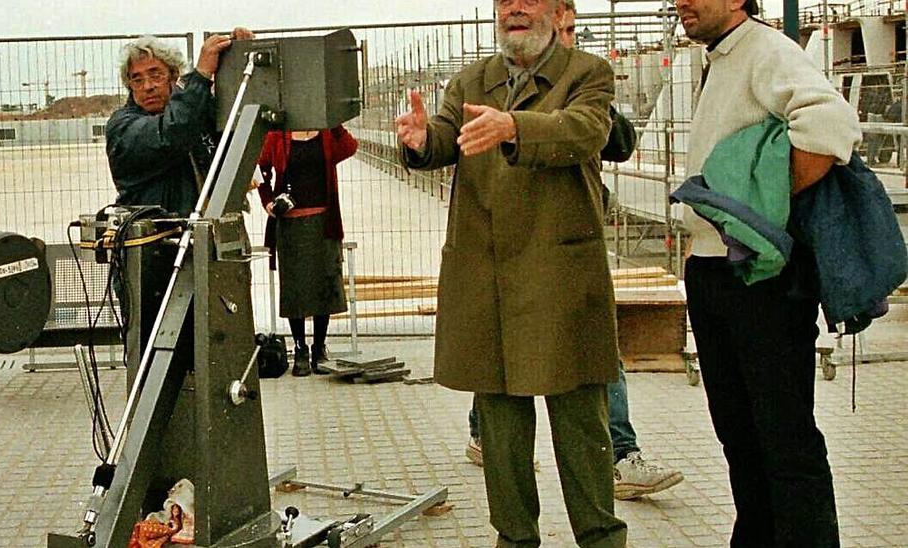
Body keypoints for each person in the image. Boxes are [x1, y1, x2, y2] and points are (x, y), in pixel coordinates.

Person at [397, 0, 627, 543]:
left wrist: (513, 127)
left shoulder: (587, 72)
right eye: (504, 1)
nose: (514, 9)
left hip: (560, 275)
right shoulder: (472, 79)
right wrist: (421, 139)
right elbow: (445, 139)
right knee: (500, 428)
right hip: (488, 276)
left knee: (580, 424)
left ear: (556, 11)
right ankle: (515, 537)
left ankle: (600, 537)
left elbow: (585, 130)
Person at [463, 0, 685, 503]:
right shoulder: (491, 83)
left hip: (565, 247)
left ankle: (619, 455)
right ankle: (486, 435)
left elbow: (610, 138)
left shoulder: (585, 76)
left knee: (590, 359)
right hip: (507, 245)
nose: (564, 39)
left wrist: (566, 93)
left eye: (570, 31)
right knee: (501, 356)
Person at [675, 0, 859, 544]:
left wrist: (765, 212)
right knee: (741, 435)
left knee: (784, 437)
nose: (681, 2)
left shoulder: (766, 49)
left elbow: (830, 123)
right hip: (714, 271)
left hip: (760, 279)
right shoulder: (724, 56)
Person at [105, 30, 250, 365]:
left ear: (172, 77)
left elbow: (236, 119)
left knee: (217, 355)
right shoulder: (123, 127)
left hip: (206, 253)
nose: (148, 86)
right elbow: (171, 136)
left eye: (156, 75)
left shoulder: (192, 113)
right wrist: (200, 77)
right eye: (137, 79)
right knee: (156, 361)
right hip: (151, 263)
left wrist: (239, 55)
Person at [255, 125, 358, 376]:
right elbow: (259, 168)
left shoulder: (325, 134)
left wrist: (332, 120)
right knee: (295, 288)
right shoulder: (277, 136)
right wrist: (268, 200)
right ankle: (300, 348)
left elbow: (349, 146)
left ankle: (319, 347)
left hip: (324, 221)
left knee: (325, 283)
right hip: (290, 224)